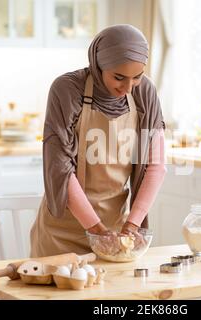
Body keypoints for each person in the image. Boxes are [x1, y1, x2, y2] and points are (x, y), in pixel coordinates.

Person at [30, 24, 166, 257]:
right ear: (99, 64)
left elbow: (156, 166)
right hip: (62, 233)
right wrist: (96, 230)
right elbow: (61, 169)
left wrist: (131, 226)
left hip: (116, 230)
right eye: (119, 77)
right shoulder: (68, 89)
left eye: (137, 77)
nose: (127, 88)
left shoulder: (145, 92)